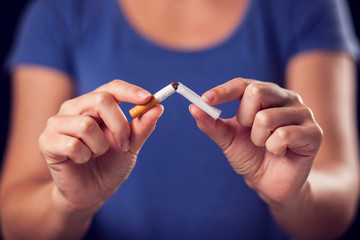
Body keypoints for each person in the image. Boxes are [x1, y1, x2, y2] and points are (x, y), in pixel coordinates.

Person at [0, 0, 359, 239]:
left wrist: (293, 196)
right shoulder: (60, 11)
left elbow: (336, 205)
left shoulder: (306, 6)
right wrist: (70, 204)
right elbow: (13, 219)